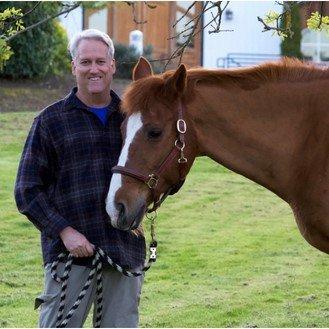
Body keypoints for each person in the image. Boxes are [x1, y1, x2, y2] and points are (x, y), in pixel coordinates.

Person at [14, 29, 146, 328]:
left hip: (122, 252)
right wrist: (65, 232)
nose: (94, 69)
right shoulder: (50, 121)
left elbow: (150, 172)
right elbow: (27, 190)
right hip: (69, 256)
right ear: (73, 66)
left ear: (113, 65)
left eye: (101, 61)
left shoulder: (132, 119)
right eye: (85, 62)